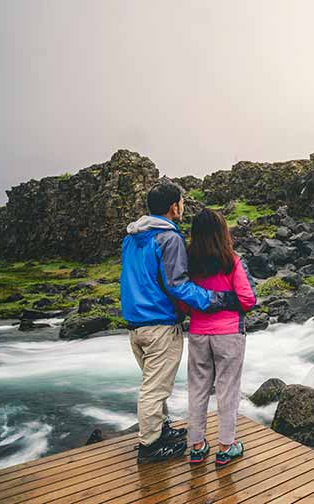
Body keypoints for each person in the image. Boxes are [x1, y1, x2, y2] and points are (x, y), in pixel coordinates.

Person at [120, 182, 240, 463]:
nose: (183, 207)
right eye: (182, 202)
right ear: (174, 207)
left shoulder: (131, 238)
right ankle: (150, 446)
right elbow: (178, 285)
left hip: (135, 324)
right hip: (159, 323)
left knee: (153, 381)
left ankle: (161, 430)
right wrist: (217, 299)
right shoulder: (169, 238)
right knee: (155, 388)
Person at [183, 209, 256, 466]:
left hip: (198, 334)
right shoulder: (231, 260)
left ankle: (197, 445)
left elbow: (183, 299)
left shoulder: (188, 263)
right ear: (222, 232)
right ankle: (226, 447)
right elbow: (248, 299)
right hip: (228, 334)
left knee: (198, 388)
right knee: (228, 389)